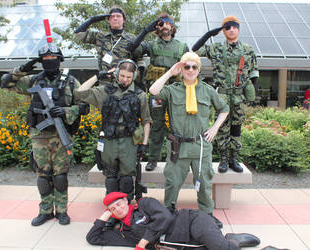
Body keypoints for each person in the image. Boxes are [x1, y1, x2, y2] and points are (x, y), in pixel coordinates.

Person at [0, 43, 89, 226]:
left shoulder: (71, 82)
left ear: (59, 59)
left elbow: (84, 106)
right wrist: (21, 70)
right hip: (39, 136)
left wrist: (64, 111)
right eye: (45, 59)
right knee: (43, 176)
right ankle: (45, 211)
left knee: (60, 176)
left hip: (61, 135)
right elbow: (6, 83)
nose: (50, 62)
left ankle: (62, 211)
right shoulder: (33, 81)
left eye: (53, 58)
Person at [149, 52, 229, 228]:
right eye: (187, 66)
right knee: (172, 182)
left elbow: (224, 109)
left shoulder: (207, 90)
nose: (190, 70)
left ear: (199, 69)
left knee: (204, 183)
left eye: (194, 67)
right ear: (181, 69)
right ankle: (168, 213)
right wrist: (170, 72)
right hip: (178, 146)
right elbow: (153, 91)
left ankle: (207, 215)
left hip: (200, 145)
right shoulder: (172, 90)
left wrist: (214, 128)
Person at [74, 59, 151, 202]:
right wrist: (98, 76)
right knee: (110, 177)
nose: (125, 80)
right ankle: (112, 207)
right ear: (116, 74)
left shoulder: (139, 95)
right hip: (109, 140)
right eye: (122, 76)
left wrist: (145, 144)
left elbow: (146, 121)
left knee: (127, 179)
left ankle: (126, 208)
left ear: (133, 77)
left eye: (129, 77)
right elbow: (80, 93)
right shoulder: (105, 92)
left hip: (129, 141)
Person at [192, 16, 259, 174]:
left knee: (236, 129)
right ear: (223, 31)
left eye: (234, 27)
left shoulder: (248, 49)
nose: (231, 30)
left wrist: (252, 91)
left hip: (239, 97)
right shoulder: (215, 49)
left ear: (238, 29)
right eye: (227, 27)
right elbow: (194, 50)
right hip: (221, 96)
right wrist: (209, 34)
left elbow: (254, 71)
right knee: (221, 128)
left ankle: (233, 159)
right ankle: (222, 159)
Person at [86, 192, 261, 250]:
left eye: (118, 204)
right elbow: (93, 238)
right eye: (112, 209)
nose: (117, 209)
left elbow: (165, 217)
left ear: (125, 200)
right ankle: (232, 240)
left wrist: (143, 242)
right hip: (185, 245)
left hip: (192, 222)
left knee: (219, 248)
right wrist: (103, 218)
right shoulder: (124, 233)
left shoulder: (144, 204)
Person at [128, 13, 189, 171]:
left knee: (178, 126)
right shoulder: (151, 45)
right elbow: (132, 48)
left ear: (172, 26)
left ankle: (178, 158)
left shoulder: (182, 46)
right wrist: (145, 30)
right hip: (157, 91)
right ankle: (153, 159)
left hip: (176, 91)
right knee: (156, 126)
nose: (164, 27)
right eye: (160, 25)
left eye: (167, 24)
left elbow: (191, 67)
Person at [74, 5, 143, 82]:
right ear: (108, 20)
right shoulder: (101, 36)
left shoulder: (132, 38)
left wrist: (139, 79)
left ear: (123, 20)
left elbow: (139, 59)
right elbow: (79, 33)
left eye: (118, 16)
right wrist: (92, 20)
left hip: (124, 82)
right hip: (104, 81)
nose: (115, 18)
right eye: (112, 16)